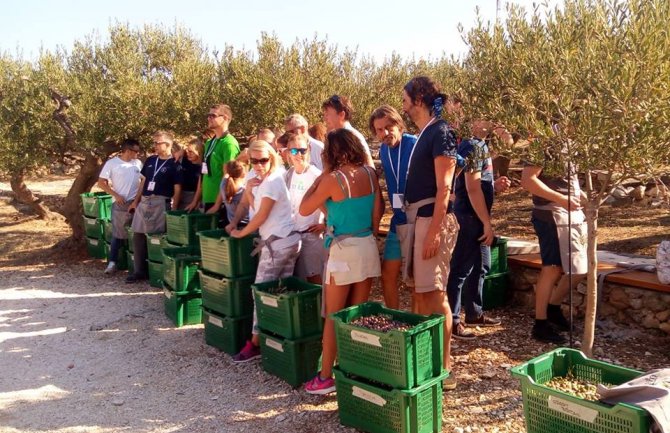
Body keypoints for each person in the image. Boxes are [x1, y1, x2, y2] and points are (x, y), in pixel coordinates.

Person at [300, 128, 383, 395]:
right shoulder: (370, 174)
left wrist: (323, 173)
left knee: (334, 316)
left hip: (343, 250)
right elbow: (377, 212)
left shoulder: (333, 179)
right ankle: (353, 369)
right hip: (367, 245)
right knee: (356, 315)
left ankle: (325, 377)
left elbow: (304, 208)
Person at [399, 76, 460, 390]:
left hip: (430, 222)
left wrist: (435, 232)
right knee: (420, 295)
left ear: (419, 97)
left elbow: (445, 187)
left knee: (435, 295)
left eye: (406, 97)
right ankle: (425, 361)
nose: (403, 103)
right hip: (417, 220)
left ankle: (445, 368)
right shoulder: (425, 132)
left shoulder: (443, 131)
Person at [230, 140, 301, 363]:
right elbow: (255, 208)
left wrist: (241, 234)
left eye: (263, 160)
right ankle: (274, 336)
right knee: (278, 293)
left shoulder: (272, 181)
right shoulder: (267, 178)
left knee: (260, 292)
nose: (259, 165)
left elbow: (261, 216)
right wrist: (250, 190)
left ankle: (255, 344)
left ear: (271, 158)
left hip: (277, 244)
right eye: (254, 161)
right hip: (283, 241)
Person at [521, 143, 586, 344]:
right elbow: (528, 180)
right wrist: (559, 198)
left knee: (579, 268)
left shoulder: (571, 143)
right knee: (552, 268)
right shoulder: (546, 143)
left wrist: (579, 194)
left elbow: (563, 180)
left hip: (571, 214)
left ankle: (553, 308)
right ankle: (540, 324)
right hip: (551, 215)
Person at [446, 132, 502, 340]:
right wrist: (486, 223)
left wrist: (495, 186)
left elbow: (477, 182)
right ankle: (453, 321)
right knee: (460, 269)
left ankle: (474, 312)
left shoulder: (479, 144)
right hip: (470, 217)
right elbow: (471, 187)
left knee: (481, 266)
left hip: (476, 216)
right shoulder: (472, 146)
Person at [368, 105, 417, 310]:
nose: (385, 133)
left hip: (417, 220)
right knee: (387, 274)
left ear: (399, 124)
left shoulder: (415, 144)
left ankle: (417, 321)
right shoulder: (384, 150)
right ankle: (395, 320)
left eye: (389, 127)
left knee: (416, 281)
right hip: (397, 222)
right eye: (379, 130)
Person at [126, 131, 183, 283]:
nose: (155, 146)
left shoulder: (174, 163)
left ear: (168, 144)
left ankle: (160, 271)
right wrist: (135, 201)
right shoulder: (151, 160)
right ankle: (139, 271)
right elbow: (143, 182)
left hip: (161, 201)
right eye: (154, 142)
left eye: (158, 143)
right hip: (145, 201)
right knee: (137, 234)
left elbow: (177, 188)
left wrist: (175, 207)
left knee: (157, 236)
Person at [284, 133, 326, 284]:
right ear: (288, 152)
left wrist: (325, 225)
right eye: (294, 151)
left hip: (311, 236)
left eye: (302, 150)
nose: (299, 155)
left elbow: (330, 203)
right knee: (299, 280)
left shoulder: (315, 175)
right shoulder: (289, 174)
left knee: (314, 278)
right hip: (294, 236)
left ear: (308, 149)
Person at [97, 138, 142, 274]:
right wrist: (116, 195)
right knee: (118, 233)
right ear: (128, 151)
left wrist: (136, 200)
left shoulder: (138, 164)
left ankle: (136, 264)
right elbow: (101, 182)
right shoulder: (112, 163)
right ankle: (113, 262)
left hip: (135, 203)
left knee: (136, 233)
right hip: (120, 203)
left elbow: (143, 181)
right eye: (136, 151)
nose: (138, 154)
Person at [186, 104, 240, 216]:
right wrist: (195, 200)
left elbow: (228, 177)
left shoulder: (229, 143)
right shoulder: (210, 142)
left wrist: (217, 205)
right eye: (208, 115)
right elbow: (203, 174)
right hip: (206, 200)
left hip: (220, 202)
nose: (209, 118)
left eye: (213, 115)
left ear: (225, 118)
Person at [321, 95, 374, 166]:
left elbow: (369, 166)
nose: (325, 118)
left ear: (342, 115)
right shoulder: (335, 137)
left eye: (327, 114)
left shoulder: (353, 137)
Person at [206, 160, 248, 228]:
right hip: (245, 225)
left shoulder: (223, 184)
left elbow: (227, 173)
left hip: (230, 224)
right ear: (244, 174)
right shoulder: (244, 190)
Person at [173, 139, 202, 210]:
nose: (188, 154)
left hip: (194, 197)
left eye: (191, 152)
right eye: (187, 152)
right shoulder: (184, 160)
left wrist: (197, 201)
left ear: (199, 152)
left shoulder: (203, 167)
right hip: (180, 196)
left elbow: (201, 186)